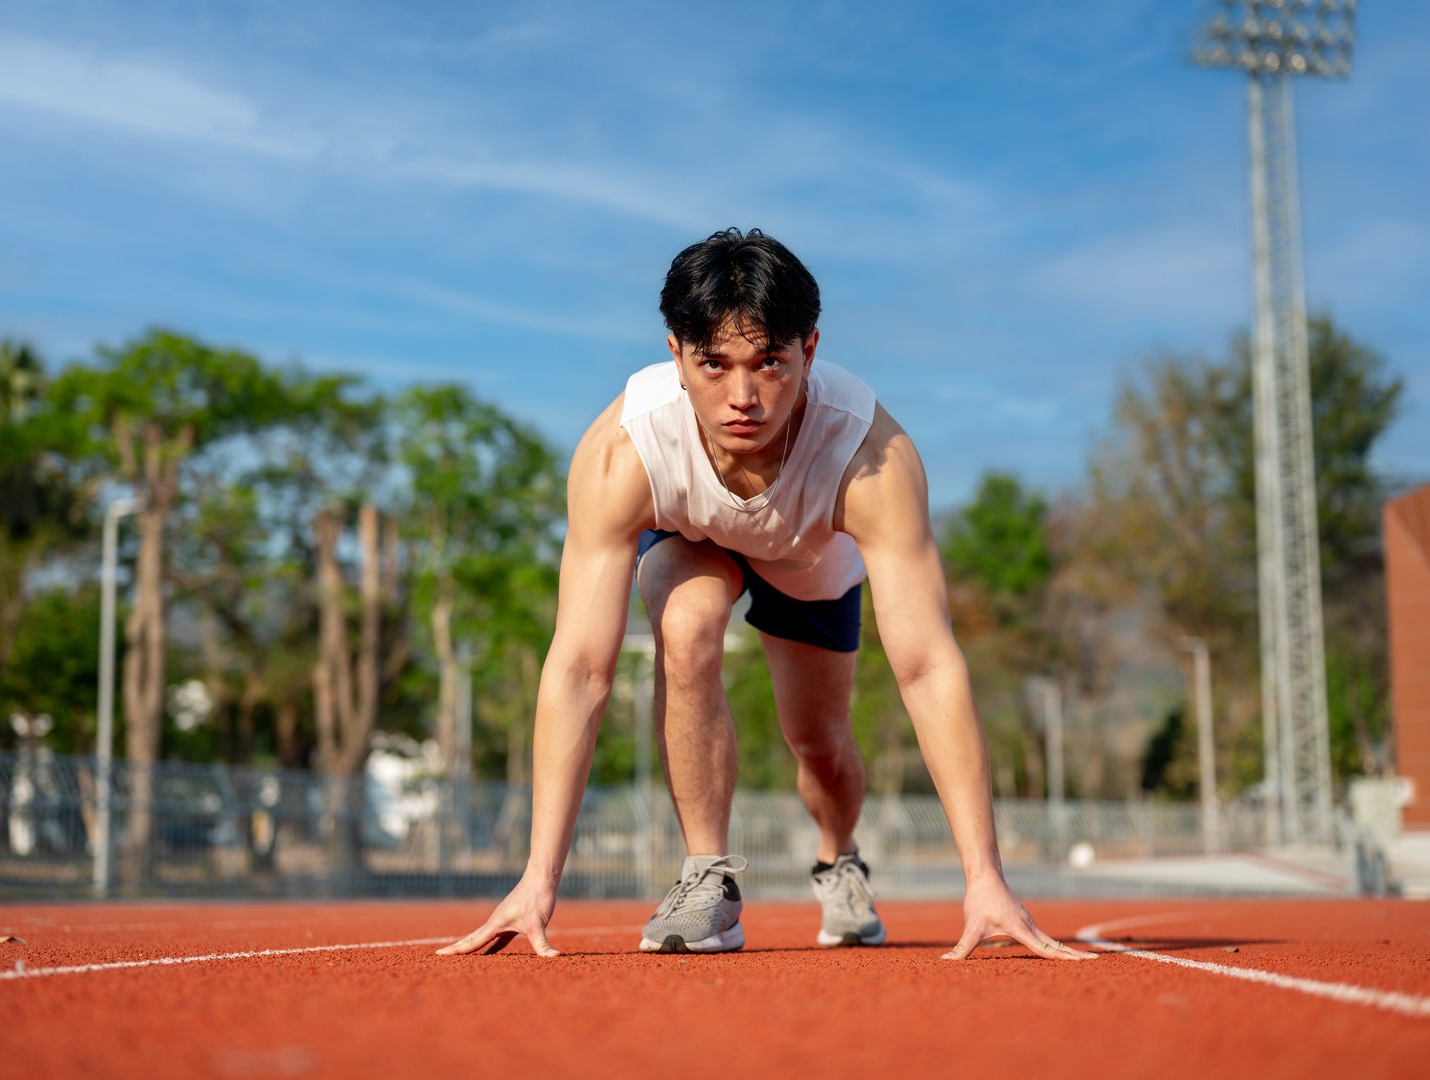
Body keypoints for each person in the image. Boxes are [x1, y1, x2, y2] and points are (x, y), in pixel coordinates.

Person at [438, 228, 1094, 961]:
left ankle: (836, 855)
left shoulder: (871, 457)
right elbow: (580, 667)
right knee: (685, 625)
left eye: (769, 364)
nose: (742, 397)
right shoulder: (623, 451)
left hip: (810, 555)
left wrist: (985, 878)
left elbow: (926, 666)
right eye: (713, 365)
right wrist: (537, 879)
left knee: (819, 747)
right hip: (694, 538)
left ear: (809, 350)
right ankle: (706, 881)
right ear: (676, 356)